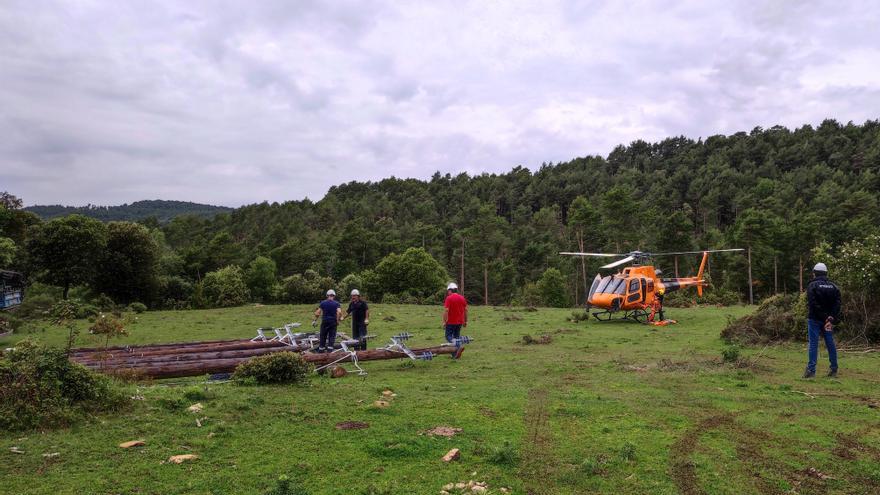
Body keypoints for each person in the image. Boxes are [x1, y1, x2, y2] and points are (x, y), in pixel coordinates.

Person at [804, 262, 841, 378]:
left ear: (814, 273)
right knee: (830, 343)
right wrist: (830, 317)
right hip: (828, 321)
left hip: (814, 319)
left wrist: (824, 316)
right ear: (826, 273)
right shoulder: (834, 287)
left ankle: (811, 371)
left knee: (813, 344)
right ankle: (834, 369)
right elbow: (838, 303)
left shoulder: (812, 286)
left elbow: (813, 304)